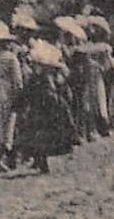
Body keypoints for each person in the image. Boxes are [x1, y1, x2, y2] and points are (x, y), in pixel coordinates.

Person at [14, 41, 78, 174]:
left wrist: (21, 104)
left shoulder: (40, 78)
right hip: (46, 109)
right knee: (40, 136)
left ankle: (41, 162)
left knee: (40, 136)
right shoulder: (50, 77)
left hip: (43, 109)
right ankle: (40, 162)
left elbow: (30, 93)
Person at [0, 22, 24, 171]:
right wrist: (18, 94)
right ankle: (5, 158)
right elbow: (17, 80)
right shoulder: (11, 58)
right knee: (8, 125)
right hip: (5, 93)